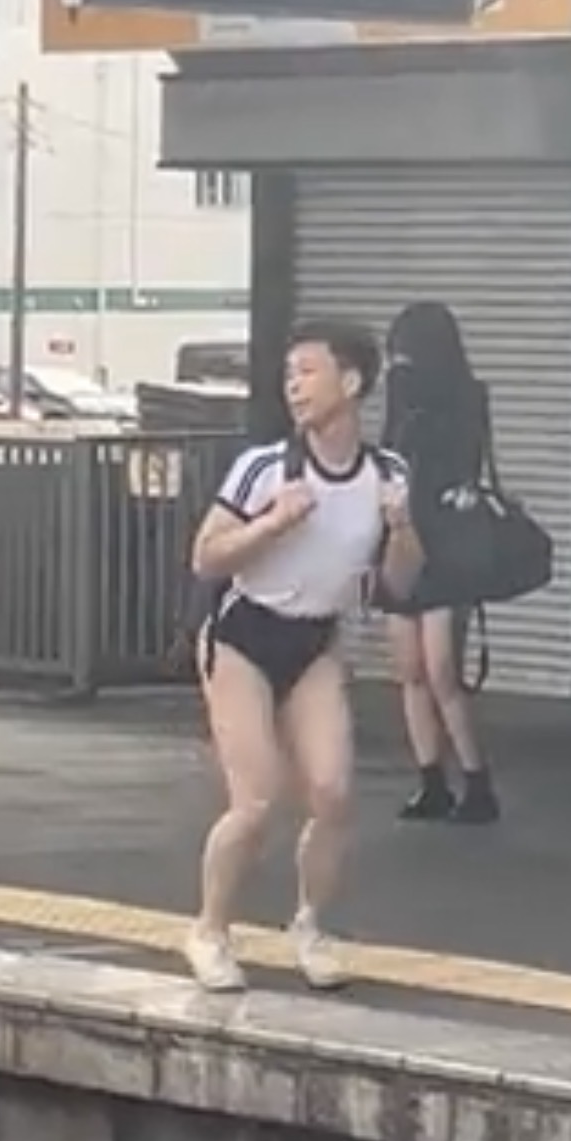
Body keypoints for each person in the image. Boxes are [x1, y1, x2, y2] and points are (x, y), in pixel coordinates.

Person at [185, 320, 422, 995]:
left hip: (315, 640)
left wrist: (401, 525)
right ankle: (209, 930)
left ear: (351, 382)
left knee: (334, 793)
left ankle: (310, 925)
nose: (294, 386)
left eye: (308, 372)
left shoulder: (388, 474)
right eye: (289, 374)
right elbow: (205, 556)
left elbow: (402, 583)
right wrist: (273, 522)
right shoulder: (266, 467)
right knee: (257, 801)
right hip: (243, 637)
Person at [380, 299, 501, 825]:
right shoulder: (401, 395)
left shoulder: (465, 397)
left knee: (442, 669)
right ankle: (430, 780)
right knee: (410, 669)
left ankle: (477, 782)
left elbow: (463, 460)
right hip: (404, 534)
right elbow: (389, 453)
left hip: (447, 543)